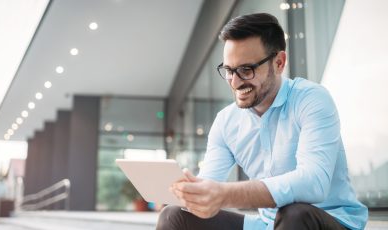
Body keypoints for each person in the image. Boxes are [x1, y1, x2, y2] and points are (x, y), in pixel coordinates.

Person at [156, 13, 368, 230]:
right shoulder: (226, 122)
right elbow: (209, 183)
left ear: (279, 62)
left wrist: (224, 194)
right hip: (266, 224)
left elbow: (313, 183)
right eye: (229, 70)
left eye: (246, 70)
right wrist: (191, 194)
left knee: (295, 213)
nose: (236, 82)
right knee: (173, 216)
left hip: (327, 220)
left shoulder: (311, 99)